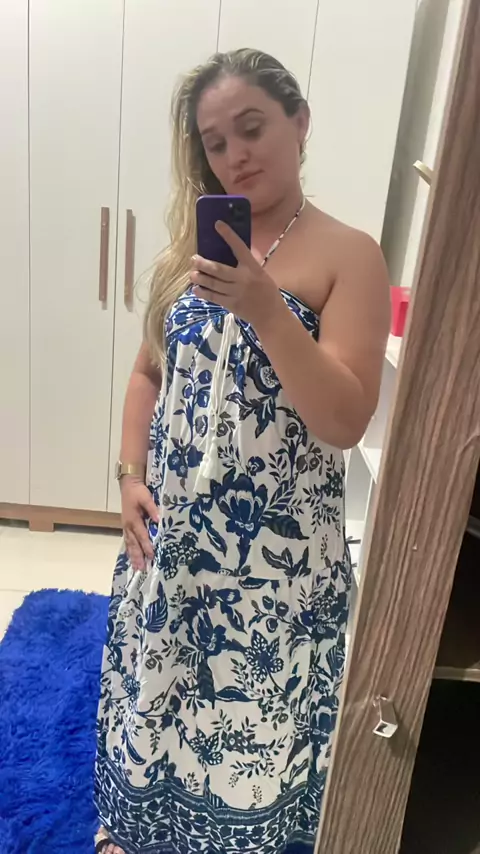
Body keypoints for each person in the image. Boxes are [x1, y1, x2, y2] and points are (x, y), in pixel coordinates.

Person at [94, 47, 390, 854]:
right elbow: (147, 374)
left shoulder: (349, 254)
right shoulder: (191, 251)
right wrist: (128, 475)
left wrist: (266, 306)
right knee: (157, 687)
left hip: (276, 566)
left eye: (252, 128)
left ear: (300, 122)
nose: (236, 155)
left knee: (248, 717)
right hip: (176, 539)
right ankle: (137, 823)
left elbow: (344, 420)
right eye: (216, 142)